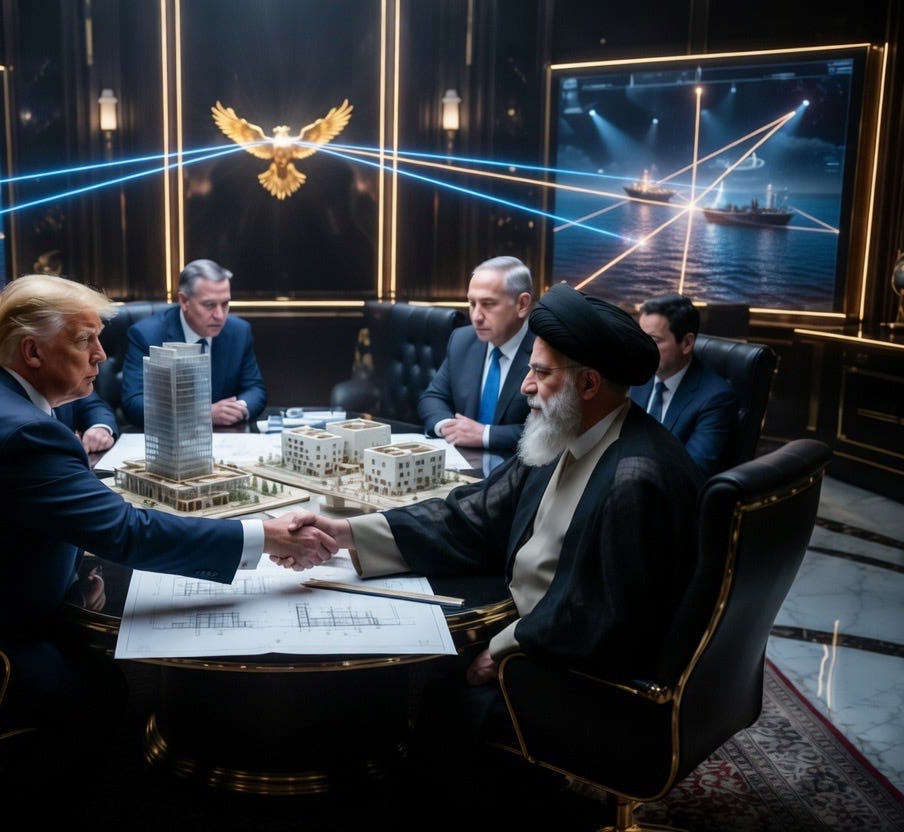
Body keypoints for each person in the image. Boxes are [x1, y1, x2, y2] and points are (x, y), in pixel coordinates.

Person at [0, 274, 333, 821]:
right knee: (101, 692)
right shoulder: (17, 430)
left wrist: (73, 563)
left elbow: (15, 513)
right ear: (32, 351)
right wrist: (265, 535)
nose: (101, 354)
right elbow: (127, 533)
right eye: (84, 340)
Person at [277, 283, 704, 795]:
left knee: (427, 691)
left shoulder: (635, 478)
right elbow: (474, 515)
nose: (525, 386)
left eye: (541, 373)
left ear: (589, 384)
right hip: (539, 635)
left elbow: (606, 617)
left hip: (581, 677)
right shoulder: (566, 431)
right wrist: (348, 533)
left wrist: (505, 651)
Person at [417, 255, 536, 474]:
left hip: (522, 474)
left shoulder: (545, 351)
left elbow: (553, 429)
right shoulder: (462, 340)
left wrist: (484, 435)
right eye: (472, 304)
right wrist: (449, 427)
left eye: (488, 304)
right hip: (463, 469)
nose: (476, 316)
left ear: (522, 304)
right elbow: (432, 397)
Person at [121, 258, 266, 428]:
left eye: (225, 304)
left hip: (225, 435)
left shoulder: (239, 331)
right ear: (184, 301)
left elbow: (255, 389)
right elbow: (134, 403)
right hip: (170, 437)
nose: (220, 315)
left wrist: (238, 408)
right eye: (209, 305)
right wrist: (201, 414)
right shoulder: (147, 335)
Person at [629, 292, 737, 475]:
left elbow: (692, 473)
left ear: (687, 343)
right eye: (640, 338)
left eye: (654, 340)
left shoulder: (716, 398)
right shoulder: (635, 377)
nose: (642, 348)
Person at [0, 339, 119, 452]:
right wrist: (62, 443)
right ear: (32, 350)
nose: (101, 355)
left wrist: (100, 428)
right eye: (82, 338)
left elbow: (92, 404)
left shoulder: (61, 358)